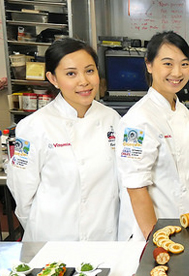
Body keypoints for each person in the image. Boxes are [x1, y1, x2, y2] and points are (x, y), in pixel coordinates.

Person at [7, 38, 120, 241]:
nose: (83, 81)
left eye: (89, 70)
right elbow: (22, 192)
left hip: (105, 237)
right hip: (53, 238)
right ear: (53, 79)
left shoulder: (112, 119)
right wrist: (39, 231)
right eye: (71, 74)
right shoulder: (34, 126)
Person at [116, 31, 189, 241]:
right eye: (167, 63)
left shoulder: (180, 110)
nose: (177, 72)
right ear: (149, 65)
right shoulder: (138, 120)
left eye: (184, 64)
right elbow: (136, 188)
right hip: (153, 231)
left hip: (186, 224)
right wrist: (155, 241)